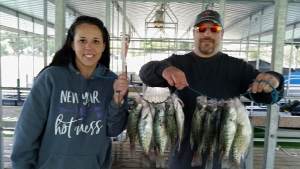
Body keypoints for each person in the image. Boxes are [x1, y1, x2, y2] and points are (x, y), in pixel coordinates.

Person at [139, 10, 284, 169]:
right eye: (201, 29)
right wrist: (163, 69)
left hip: (226, 158)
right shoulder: (177, 63)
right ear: (193, 33)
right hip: (184, 157)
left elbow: (268, 97)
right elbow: (146, 73)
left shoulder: (238, 67)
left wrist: (275, 79)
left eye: (214, 29)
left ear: (221, 34)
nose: (207, 33)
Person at [11, 15, 129, 169]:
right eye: (82, 41)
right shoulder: (51, 77)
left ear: (103, 46)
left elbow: (113, 130)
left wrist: (117, 99)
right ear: (72, 44)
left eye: (95, 41)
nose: (89, 47)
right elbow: (27, 131)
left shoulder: (112, 81)